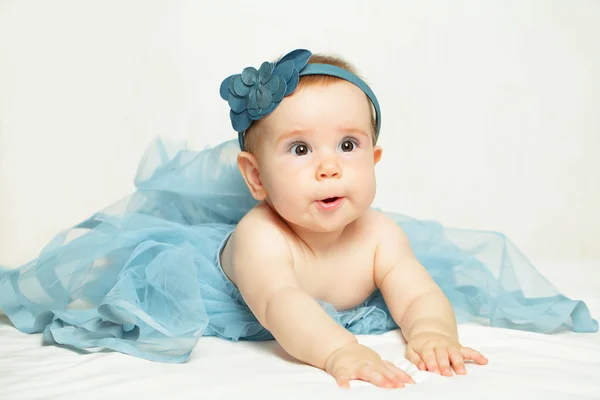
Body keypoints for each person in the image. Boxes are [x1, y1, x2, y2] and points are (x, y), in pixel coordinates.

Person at [0, 49, 597, 390]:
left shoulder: (380, 233)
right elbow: (284, 305)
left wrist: (433, 332)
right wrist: (339, 352)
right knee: (97, 286)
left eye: (348, 145)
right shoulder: (262, 238)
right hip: (226, 287)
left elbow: (418, 292)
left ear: (374, 159)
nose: (329, 169)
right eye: (300, 150)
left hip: (314, 287)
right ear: (255, 179)